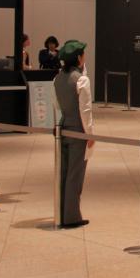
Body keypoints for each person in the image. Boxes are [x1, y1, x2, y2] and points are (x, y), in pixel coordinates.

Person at [53, 40, 94, 229]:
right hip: (78, 130)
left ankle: (61, 213)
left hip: (63, 127)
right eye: (83, 54)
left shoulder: (57, 79)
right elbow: (85, 111)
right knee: (75, 174)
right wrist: (90, 134)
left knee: (63, 171)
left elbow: (56, 105)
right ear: (78, 58)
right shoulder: (82, 80)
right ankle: (72, 217)